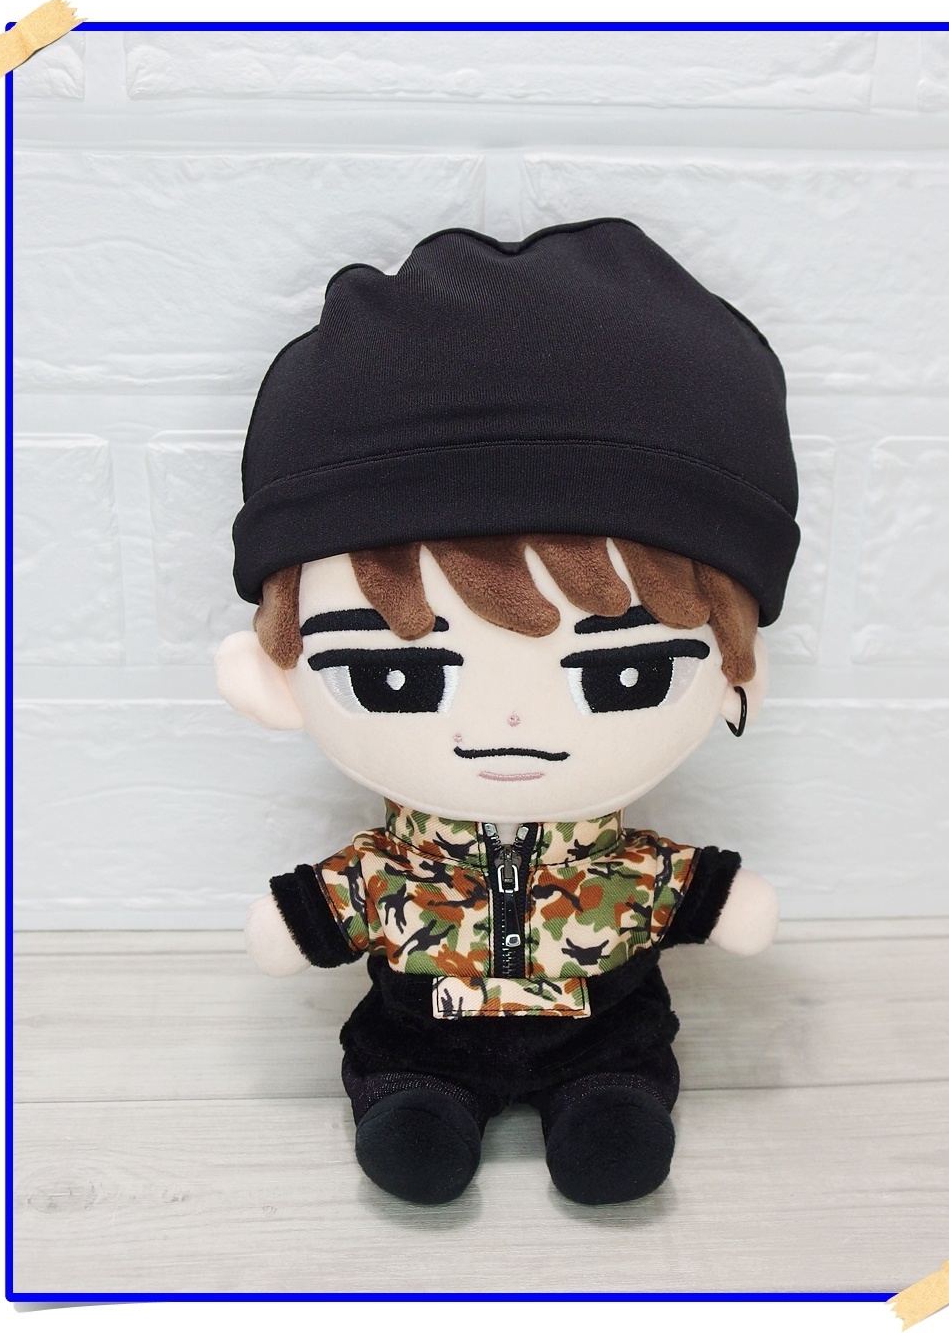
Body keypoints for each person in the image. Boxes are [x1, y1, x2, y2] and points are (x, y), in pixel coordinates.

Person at [216, 218, 799, 1205]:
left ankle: (608, 1097)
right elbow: (334, 902)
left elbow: (681, 887)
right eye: (397, 679)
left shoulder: (623, 866)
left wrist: (725, 900)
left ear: (736, 676)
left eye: (624, 677)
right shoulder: (393, 868)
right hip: (421, 1031)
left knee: (616, 1130)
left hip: (603, 1032)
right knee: (413, 1134)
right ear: (275, 678)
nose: (512, 725)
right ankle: (416, 1097)